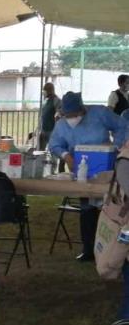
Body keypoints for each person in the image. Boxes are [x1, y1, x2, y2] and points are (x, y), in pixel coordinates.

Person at [49, 91, 129, 262]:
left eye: (75, 115)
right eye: (68, 115)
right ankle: (88, 249)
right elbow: (54, 144)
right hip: (82, 171)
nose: (72, 118)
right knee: (86, 209)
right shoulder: (62, 125)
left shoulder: (99, 113)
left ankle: (116, 250)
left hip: (107, 169)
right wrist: (65, 156)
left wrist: (116, 146)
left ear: (83, 110)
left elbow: (122, 125)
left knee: (113, 208)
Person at [39, 82, 62, 150]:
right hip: (43, 129)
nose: (43, 93)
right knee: (40, 149)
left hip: (52, 130)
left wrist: (57, 114)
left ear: (49, 91)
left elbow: (60, 112)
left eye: (45, 91)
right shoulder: (46, 100)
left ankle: (54, 160)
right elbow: (43, 113)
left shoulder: (56, 100)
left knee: (53, 149)